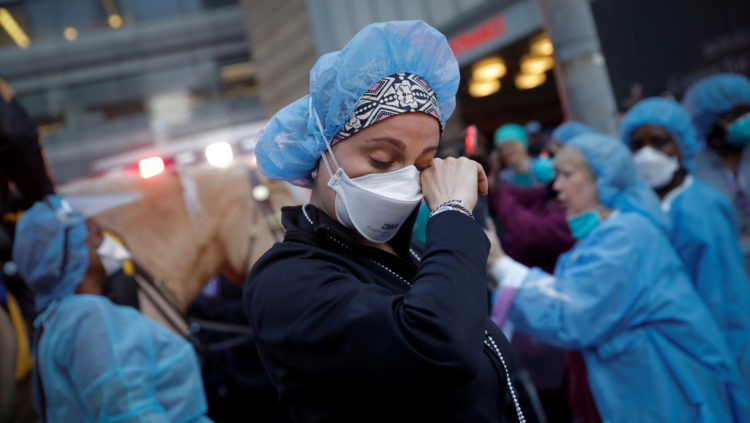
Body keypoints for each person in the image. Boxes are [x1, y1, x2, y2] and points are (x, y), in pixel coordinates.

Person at [244, 20, 537, 422]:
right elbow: (439, 345)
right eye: (382, 160)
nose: (403, 179)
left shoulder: (413, 253)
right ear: (322, 150)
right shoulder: (287, 281)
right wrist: (452, 213)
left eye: (423, 163)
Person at [487, 133, 749, 422]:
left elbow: (573, 312)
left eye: (567, 175)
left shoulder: (625, 237)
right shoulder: (603, 236)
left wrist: (501, 265)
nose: (556, 186)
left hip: (666, 398)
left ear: (603, 180)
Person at [13, 195, 212, 422]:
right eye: (88, 229)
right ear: (72, 252)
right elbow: (129, 414)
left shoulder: (59, 319)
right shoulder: (89, 317)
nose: (102, 234)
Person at [621, 96, 750, 381]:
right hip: (664, 356)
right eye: (637, 146)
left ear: (681, 145)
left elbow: (727, 298)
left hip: (712, 344)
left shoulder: (706, 206)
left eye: (659, 142)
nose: (647, 154)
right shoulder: (632, 209)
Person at [682, 73, 750, 237]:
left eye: (746, 111)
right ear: (708, 119)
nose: (745, 119)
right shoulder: (693, 169)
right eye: (735, 114)